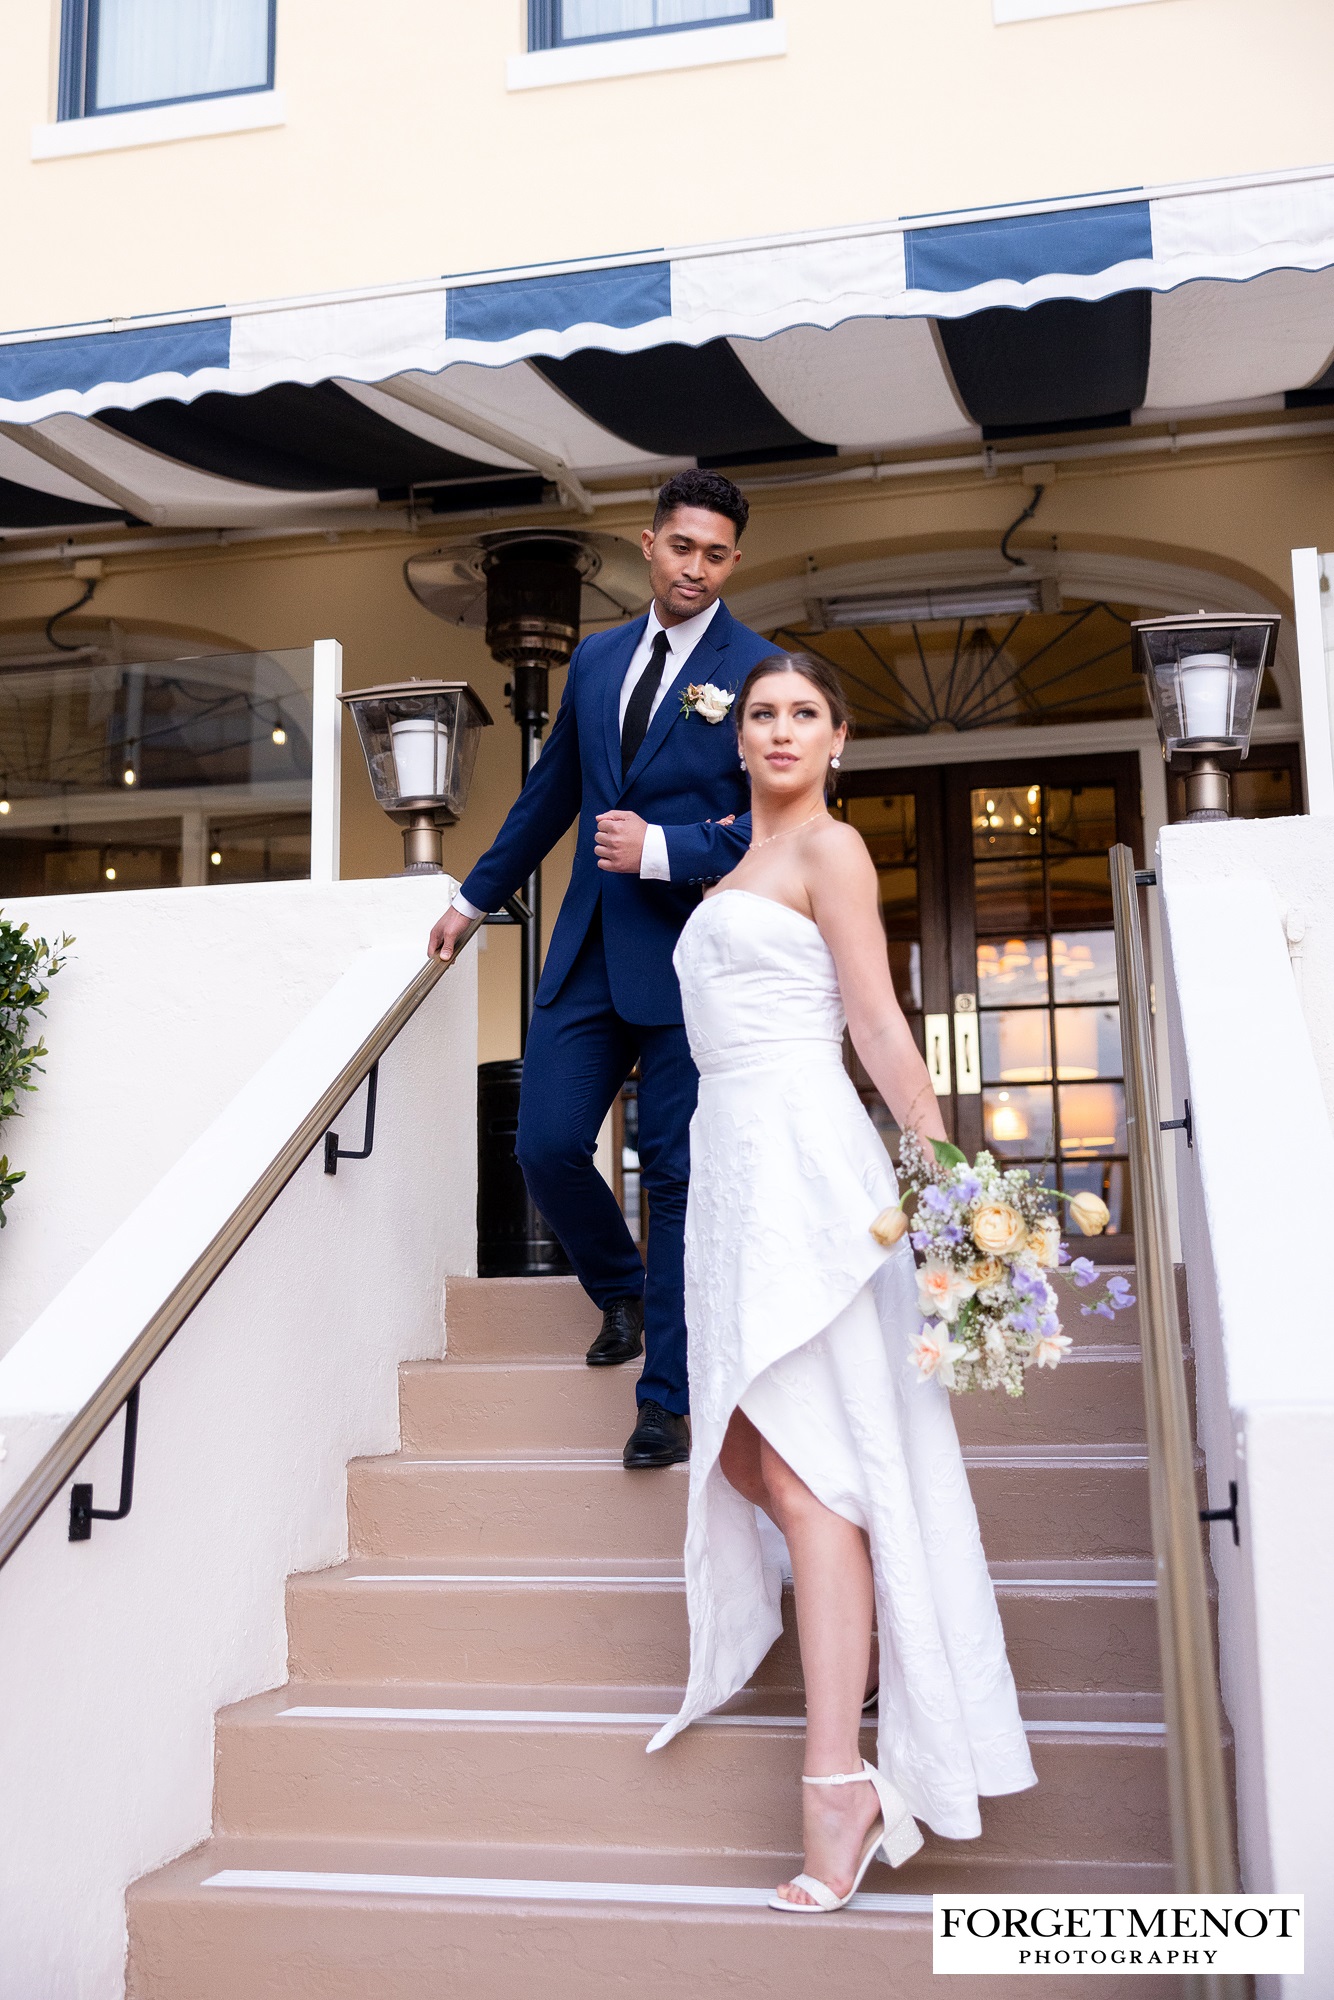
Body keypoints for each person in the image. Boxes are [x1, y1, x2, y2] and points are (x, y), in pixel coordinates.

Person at [647, 651, 1037, 1911]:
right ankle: (851, 1700)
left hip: (810, 1169)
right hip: (731, 1177)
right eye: (760, 713)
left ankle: (837, 1782)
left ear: (837, 738)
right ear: (738, 736)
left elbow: (874, 1023)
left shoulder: (832, 851)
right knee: (753, 1458)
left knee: (815, 1479)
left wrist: (948, 1196)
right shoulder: (733, 864)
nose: (777, 729)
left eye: (801, 714)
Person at [428, 469, 777, 1469]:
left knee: (672, 1173)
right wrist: (469, 899)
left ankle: (662, 1399)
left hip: (688, 960)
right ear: (648, 542)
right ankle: (618, 1284)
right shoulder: (595, 660)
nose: (695, 568)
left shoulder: (757, 668)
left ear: (732, 561)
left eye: (715, 554)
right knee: (541, 1144)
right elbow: (548, 799)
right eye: (681, 547)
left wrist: (665, 849)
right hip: (585, 948)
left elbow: (770, 821)